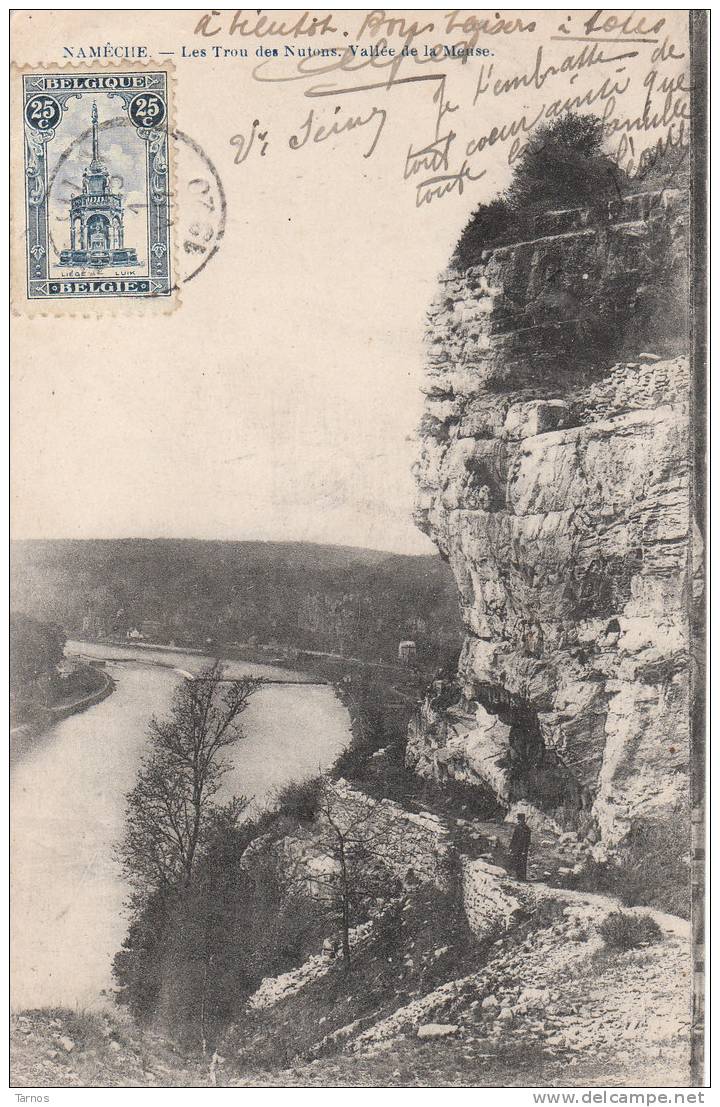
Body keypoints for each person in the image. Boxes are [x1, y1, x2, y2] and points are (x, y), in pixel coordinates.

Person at [509, 813, 531, 881]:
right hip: (516, 848)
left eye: (520, 819)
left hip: (523, 848)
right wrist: (511, 847)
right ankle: (517, 877)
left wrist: (524, 850)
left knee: (523, 862)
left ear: (523, 819)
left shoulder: (527, 829)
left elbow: (527, 841)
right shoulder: (517, 827)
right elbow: (514, 838)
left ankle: (522, 878)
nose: (518, 821)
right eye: (518, 819)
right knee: (517, 861)